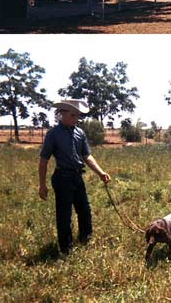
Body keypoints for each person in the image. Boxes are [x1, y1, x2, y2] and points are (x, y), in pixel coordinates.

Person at [38, 99, 111, 255]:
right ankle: (66, 249)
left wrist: (101, 173)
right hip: (62, 177)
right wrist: (42, 185)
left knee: (85, 210)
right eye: (72, 115)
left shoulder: (80, 133)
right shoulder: (53, 134)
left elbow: (87, 156)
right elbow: (44, 160)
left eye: (77, 115)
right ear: (62, 114)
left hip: (77, 177)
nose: (76, 118)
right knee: (64, 214)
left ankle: (86, 240)